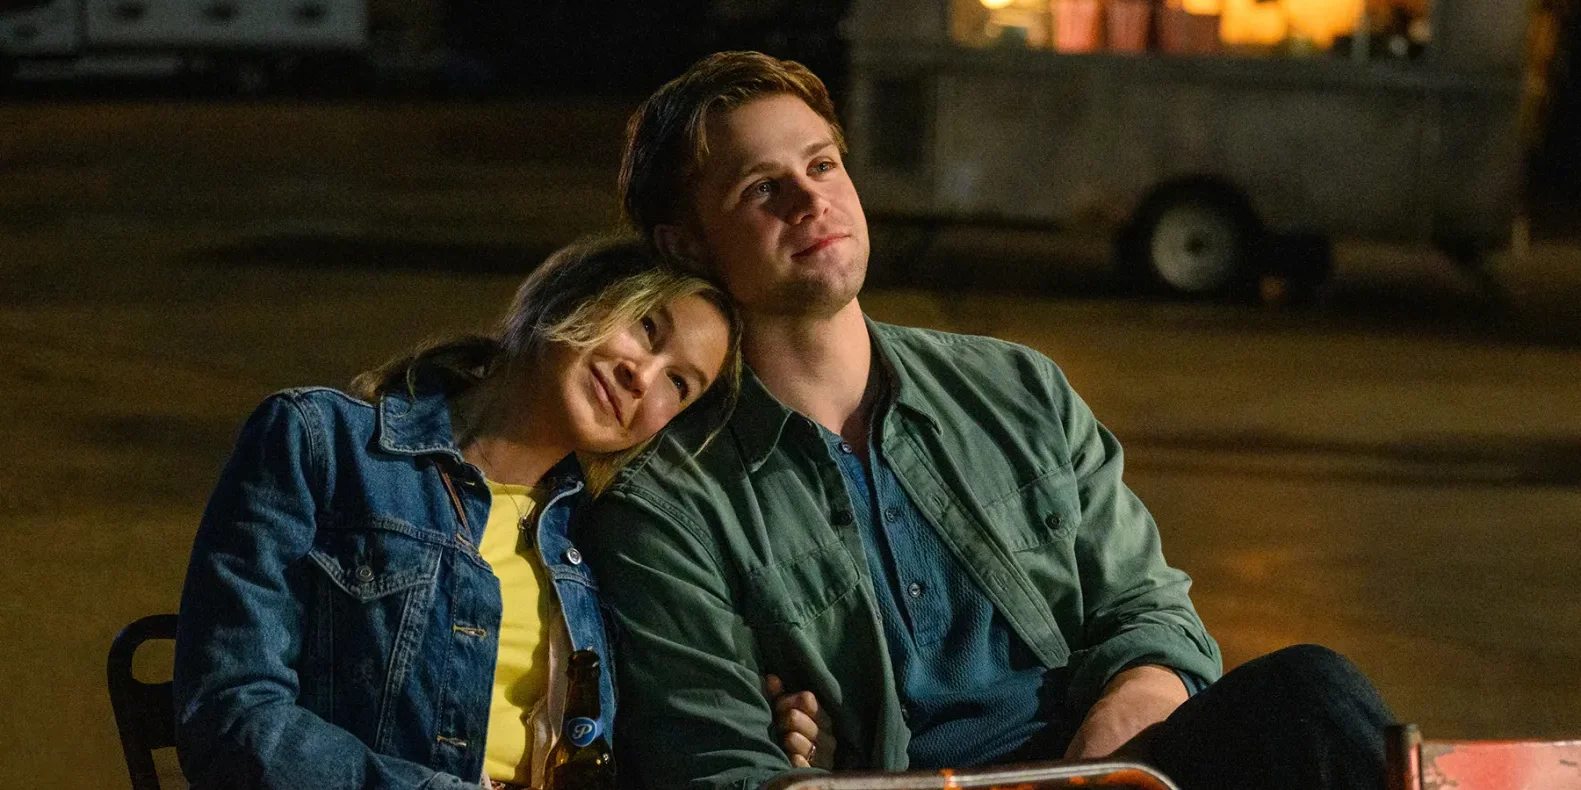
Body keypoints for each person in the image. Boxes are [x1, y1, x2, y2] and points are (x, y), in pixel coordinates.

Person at [584, 52, 1396, 790]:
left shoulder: (1015, 386)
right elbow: (714, 762)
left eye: (822, 164)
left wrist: (1120, 729)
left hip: (1098, 766)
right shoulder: (670, 500)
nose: (811, 200)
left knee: (1309, 694)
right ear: (686, 245)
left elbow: (1146, 608)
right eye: (762, 189)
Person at [172, 236, 825, 790]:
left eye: (677, 385)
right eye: (647, 327)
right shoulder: (323, 443)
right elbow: (232, 716)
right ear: (570, 293)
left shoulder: (605, 539)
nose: (642, 377)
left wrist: (746, 722)